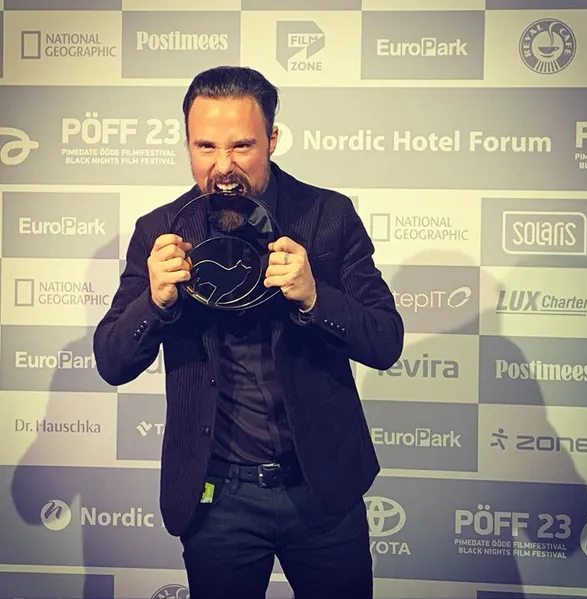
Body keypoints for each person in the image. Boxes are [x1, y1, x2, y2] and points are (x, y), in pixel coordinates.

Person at [94, 66, 404, 599]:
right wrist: (156, 301)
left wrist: (315, 296)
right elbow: (112, 361)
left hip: (321, 490)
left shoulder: (327, 216)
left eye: (241, 146)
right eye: (205, 147)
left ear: (272, 139)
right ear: (188, 144)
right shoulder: (160, 231)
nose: (223, 167)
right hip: (217, 499)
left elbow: (385, 340)